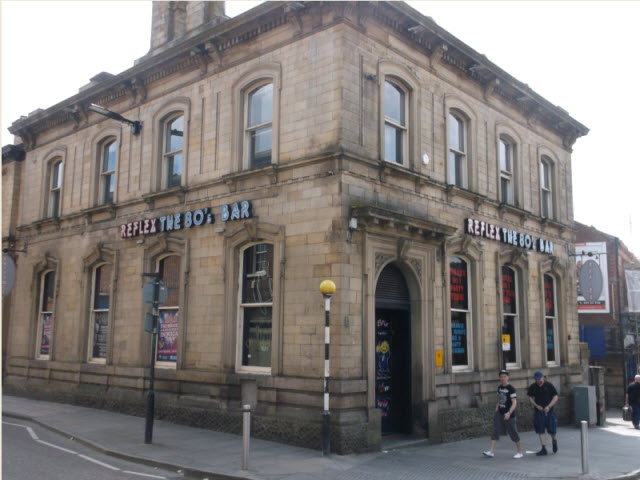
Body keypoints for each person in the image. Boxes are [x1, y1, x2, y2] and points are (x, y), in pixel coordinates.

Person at [483, 369, 524, 459]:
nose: (503, 378)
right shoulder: (499, 388)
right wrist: (497, 409)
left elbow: (514, 403)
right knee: (495, 431)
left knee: (513, 432)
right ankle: (491, 451)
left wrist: (509, 413)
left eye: (504, 376)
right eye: (501, 376)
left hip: (509, 414)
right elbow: (499, 399)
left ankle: (520, 451)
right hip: (500, 413)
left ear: (508, 377)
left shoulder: (511, 389)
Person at [527, 371, 558, 456]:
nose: (538, 381)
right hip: (539, 411)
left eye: (539, 379)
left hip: (549, 411)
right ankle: (543, 448)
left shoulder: (549, 386)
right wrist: (536, 405)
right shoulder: (533, 387)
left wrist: (549, 406)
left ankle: (554, 440)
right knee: (540, 430)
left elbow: (555, 396)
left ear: (543, 377)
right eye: (536, 379)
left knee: (552, 430)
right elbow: (530, 397)